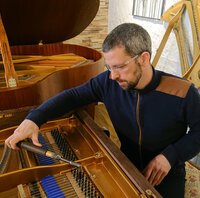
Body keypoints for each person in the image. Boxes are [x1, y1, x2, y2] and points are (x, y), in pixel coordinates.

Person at [5, 23, 200, 197]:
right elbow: (72, 96)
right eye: (109, 67)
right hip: (124, 162)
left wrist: (170, 156)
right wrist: (34, 118)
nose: (113, 76)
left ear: (143, 58)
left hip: (167, 172)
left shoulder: (183, 91)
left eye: (119, 67)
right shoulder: (108, 82)